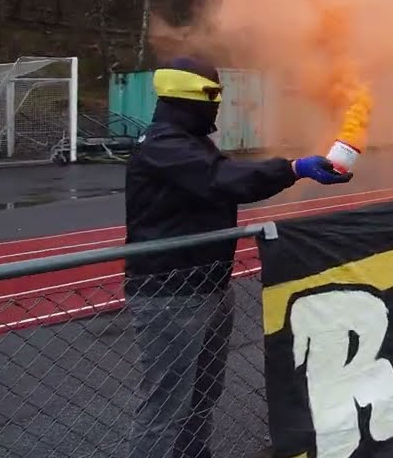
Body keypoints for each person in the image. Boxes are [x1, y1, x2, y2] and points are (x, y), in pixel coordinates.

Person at [125, 57, 353, 458]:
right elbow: (227, 180)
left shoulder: (190, 143)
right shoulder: (165, 147)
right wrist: (294, 167)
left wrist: (290, 168)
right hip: (170, 293)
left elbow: (224, 175)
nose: (217, 107)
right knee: (166, 403)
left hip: (208, 285)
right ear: (192, 98)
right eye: (213, 98)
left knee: (202, 395)